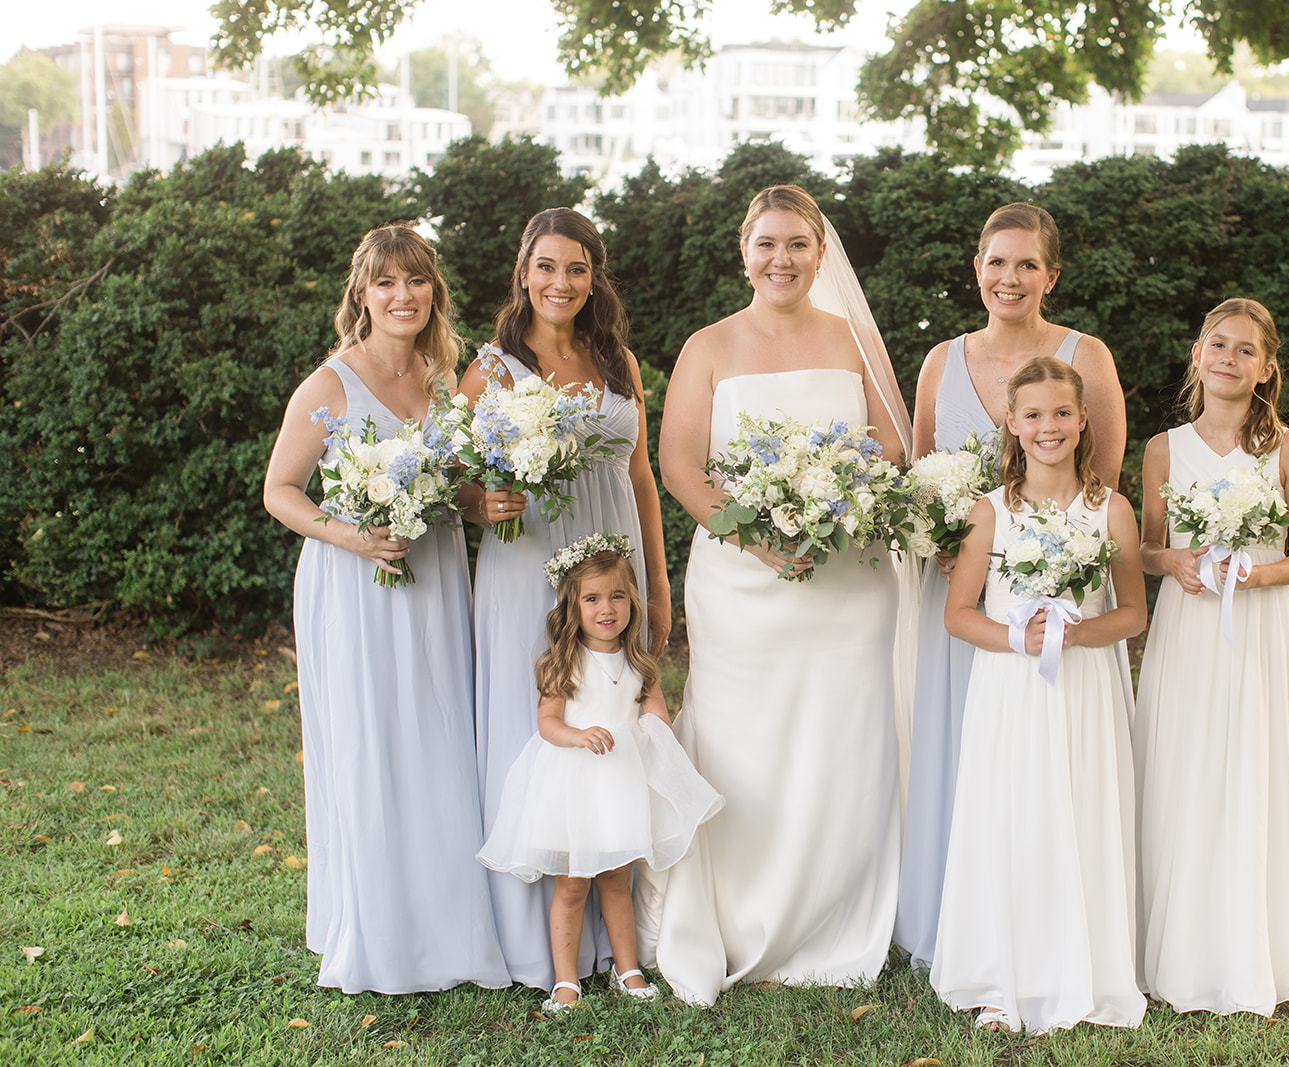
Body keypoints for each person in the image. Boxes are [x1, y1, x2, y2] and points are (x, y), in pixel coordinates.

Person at [644, 184, 913, 1006]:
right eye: (767, 243)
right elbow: (680, 465)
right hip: (739, 581)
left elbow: (893, 453)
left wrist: (838, 511)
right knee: (743, 737)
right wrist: (757, 538)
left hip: (845, 584)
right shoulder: (709, 345)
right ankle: (742, 909)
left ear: (820, 254)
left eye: (797, 243)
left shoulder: (853, 339)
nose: (782, 258)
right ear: (743, 251)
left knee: (840, 736)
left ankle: (833, 912)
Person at [262, 223, 509, 993]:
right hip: (356, 582)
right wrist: (351, 536)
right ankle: (378, 930)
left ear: (433, 291)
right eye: (386, 284)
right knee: (374, 740)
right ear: (361, 295)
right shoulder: (331, 384)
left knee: (437, 737)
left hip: (433, 577)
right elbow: (280, 492)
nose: (403, 296)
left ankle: (444, 923)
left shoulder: (441, 382)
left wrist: (485, 504)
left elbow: (453, 491)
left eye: (416, 281)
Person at [896, 203, 1128, 969]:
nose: (1010, 277)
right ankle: (959, 924)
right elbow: (922, 473)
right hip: (964, 594)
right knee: (966, 748)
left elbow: (1102, 486)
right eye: (997, 262)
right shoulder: (941, 360)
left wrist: (1050, 573)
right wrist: (942, 544)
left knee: (1047, 757)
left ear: (1051, 276)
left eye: (1028, 264)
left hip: (1056, 595)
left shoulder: (1084, 355)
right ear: (977, 269)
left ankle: (1054, 923)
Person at [458, 208, 671, 990]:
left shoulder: (616, 360)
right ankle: (536, 941)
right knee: (542, 723)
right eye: (547, 266)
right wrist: (481, 503)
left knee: (613, 721)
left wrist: (658, 575)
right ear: (523, 271)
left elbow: (641, 476)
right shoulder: (492, 367)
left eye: (577, 268)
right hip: (529, 562)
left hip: (612, 554)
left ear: (594, 277)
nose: (561, 282)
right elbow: (457, 473)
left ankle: (620, 935)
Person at [931, 356, 1146, 1034]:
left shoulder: (1110, 507)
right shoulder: (989, 511)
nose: (1048, 426)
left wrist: (1080, 636)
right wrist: (1015, 639)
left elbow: (1134, 611)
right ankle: (1003, 972)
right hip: (1012, 689)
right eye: (1033, 415)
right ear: (1012, 425)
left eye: (1061, 413)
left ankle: (1090, 970)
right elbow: (958, 613)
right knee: (1014, 814)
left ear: (1083, 421)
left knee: (1082, 812)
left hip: (1084, 687)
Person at [1134, 297, 1289, 1014]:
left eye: (1247, 350)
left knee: (1252, 767)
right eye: (1219, 344)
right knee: (1182, 768)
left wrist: (1254, 574)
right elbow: (1148, 547)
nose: (1229, 359)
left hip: (1259, 625)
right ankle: (1177, 949)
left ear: (1267, 368)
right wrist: (1175, 563)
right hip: (1187, 626)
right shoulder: (1162, 448)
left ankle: (1255, 949)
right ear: (1197, 354)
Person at [476, 534, 722, 1012]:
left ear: (632, 601)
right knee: (571, 886)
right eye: (592, 598)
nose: (606, 608)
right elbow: (547, 723)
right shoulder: (562, 662)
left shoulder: (639, 663)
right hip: (574, 787)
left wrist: (655, 733)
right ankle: (565, 981)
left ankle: (626, 966)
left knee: (616, 879)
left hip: (621, 784)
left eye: (617, 596)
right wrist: (579, 735)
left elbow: (656, 718)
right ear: (573, 607)